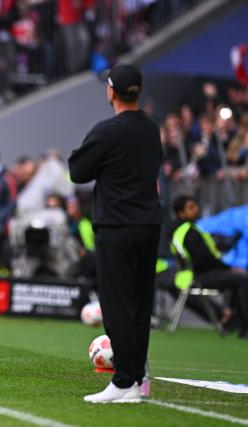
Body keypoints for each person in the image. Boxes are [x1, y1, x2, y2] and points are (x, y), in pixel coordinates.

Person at [68, 64, 162, 403]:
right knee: (139, 304)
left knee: (117, 304)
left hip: (117, 226)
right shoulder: (152, 129)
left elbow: (77, 171)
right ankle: (136, 379)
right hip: (148, 225)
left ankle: (124, 382)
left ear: (111, 92)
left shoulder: (107, 131)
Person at [171, 195, 248, 338]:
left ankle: (237, 323)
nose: (196, 209)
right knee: (242, 279)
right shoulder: (190, 232)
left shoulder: (188, 229)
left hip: (197, 274)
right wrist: (229, 268)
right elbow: (204, 259)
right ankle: (243, 324)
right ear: (180, 213)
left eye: (195, 206)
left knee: (237, 279)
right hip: (201, 276)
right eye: (190, 207)